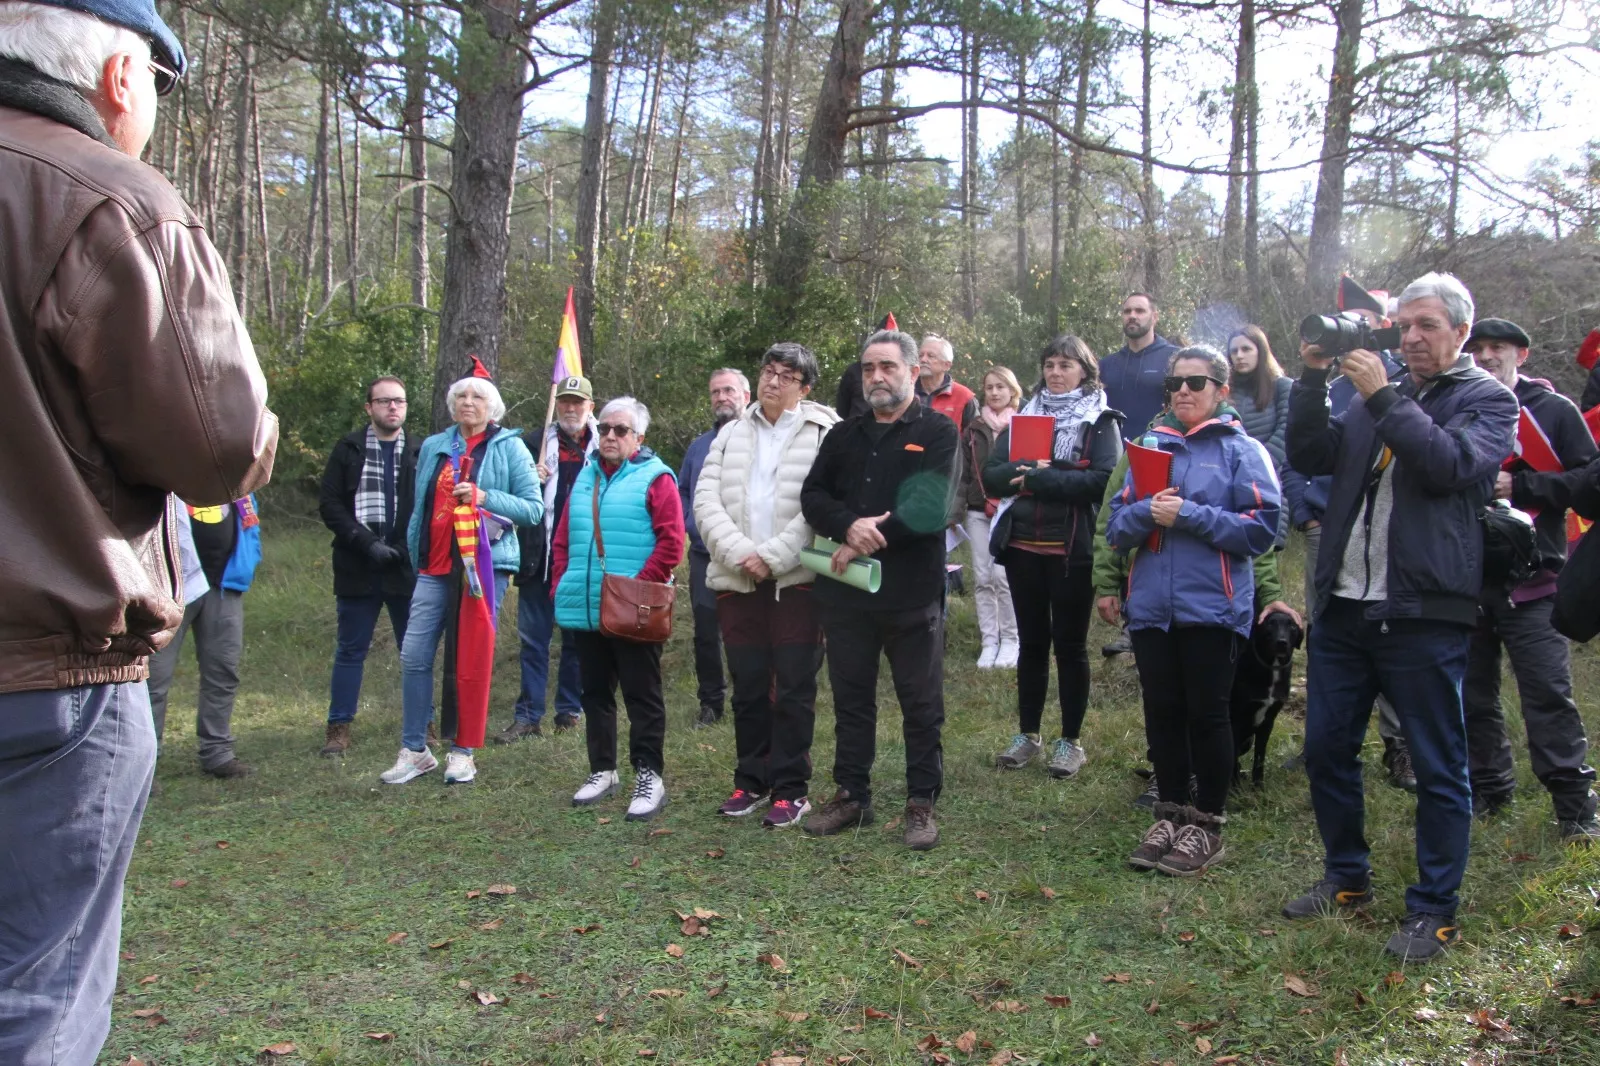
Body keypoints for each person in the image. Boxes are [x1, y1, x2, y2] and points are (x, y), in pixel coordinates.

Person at [0, 4, 278, 1060]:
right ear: (123, 74)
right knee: (30, 997)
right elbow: (216, 442)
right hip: (45, 682)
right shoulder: (105, 198)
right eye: (161, 87)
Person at [1281, 272, 1518, 962]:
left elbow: (1450, 466)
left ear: (1460, 333)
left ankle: (1433, 909)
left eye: (1427, 326)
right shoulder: (1375, 397)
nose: (1410, 338)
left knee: (1438, 765)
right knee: (1327, 747)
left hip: (1421, 610)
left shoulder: (1486, 399)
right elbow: (1311, 454)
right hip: (1347, 604)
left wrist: (1382, 395)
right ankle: (1347, 876)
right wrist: (1310, 378)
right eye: (1404, 326)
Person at [1106, 346, 1280, 876]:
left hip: (1214, 606)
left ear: (1222, 391)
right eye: (1176, 383)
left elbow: (1262, 528)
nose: (1183, 390)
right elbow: (1115, 526)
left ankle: (1207, 824)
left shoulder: (1242, 450)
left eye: (1197, 382)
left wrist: (1190, 515)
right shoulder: (1147, 447)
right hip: (1154, 606)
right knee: (1162, 712)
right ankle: (1169, 814)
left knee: (1207, 714)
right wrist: (1146, 514)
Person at [800, 329, 961, 851]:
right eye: (869, 368)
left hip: (911, 593)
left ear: (914, 372)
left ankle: (921, 802)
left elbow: (930, 506)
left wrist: (868, 539)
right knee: (851, 698)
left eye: (888, 367)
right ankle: (852, 794)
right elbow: (813, 496)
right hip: (847, 592)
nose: (876, 377)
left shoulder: (937, 432)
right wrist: (848, 527)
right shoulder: (843, 435)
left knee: (920, 701)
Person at [1462, 318, 1600, 842]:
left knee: (1546, 693)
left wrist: (1522, 484)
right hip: (1465, 577)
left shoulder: (1554, 411)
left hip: (1535, 577)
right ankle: (1489, 789)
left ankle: (1574, 807)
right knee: (1472, 695)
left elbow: (1589, 481)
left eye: (1498, 347)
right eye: (1478, 348)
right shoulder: (1460, 406)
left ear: (1522, 354)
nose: (1488, 356)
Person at [695, 344, 840, 828]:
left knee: (795, 686)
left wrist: (773, 557)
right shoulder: (731, 431)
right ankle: (751, 782)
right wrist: (742, 555)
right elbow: (705, 500)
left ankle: (792, 789)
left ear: (805, 387)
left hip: (797, 581)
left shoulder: (825, 432)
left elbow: (821, 505)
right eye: (768, 371)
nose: (772, 382)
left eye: (786, 376)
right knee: (750, 686)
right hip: (737, 579)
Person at [1280, 285, 1416, 788]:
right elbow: (1303, 451)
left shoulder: (1404, 383)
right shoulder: (1334, 385)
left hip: (1392, 541)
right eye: (1344, 324)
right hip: (1331, 531)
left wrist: (1380, 389)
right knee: (1330, 640)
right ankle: (1329, 737)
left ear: (1385, 329)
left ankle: (1400, 745)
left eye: (1363, 324)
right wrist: (1305, 513)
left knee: (1391, 645)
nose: (1351, 335)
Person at [383, 362, 543, 787]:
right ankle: (415, 749)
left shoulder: (509, 447)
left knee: (470, 656)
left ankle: (463, 751)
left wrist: (485, 495)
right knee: (414, 654)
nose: (468, 403)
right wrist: (415, 550)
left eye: (477, 397)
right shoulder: (436, 446)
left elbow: (533, 509)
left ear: (493, 407)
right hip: (434, 566)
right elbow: (419, 506)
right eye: (461, 397)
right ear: (452, 405)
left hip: (482, 568)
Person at [984, 337, 1123, 778]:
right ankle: (1027, 735)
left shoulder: (1099, 421)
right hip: (1023, 546)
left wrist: (1037, 479)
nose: (1056, 372)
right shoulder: (1023, 418)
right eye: (1049, 364)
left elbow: (1103, 481)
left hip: (1071, 549)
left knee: (1069, 645)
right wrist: (1036, 476)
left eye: (1065, 364)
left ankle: (1071, 741)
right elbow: (991, 476)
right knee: (1031, 643)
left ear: (1085, 370)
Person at [557, 397, 685, 820]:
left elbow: (671, 542)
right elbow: (564, 539)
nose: (610, 436)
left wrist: (637, 588)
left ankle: (649, 775)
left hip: (635, 608)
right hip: (587, 606)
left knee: (641, 694)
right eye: (606, 428)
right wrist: (562, 580)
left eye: (621, 430)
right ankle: (603, 769)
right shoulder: (584, 479)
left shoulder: (656, 477)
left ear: (639, 438)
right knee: (594, 692)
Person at [316, 376, 420, 755]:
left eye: (399, 402)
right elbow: (330, 505)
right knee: (350, 649)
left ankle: (422, 722)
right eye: (384, 402)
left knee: (414, 649)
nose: (393, 408)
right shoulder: (348, 448)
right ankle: (338, 728)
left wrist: (402, 549)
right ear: (369, 407)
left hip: (404, 566)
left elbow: (426, 508)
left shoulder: (420, 451)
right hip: (358, 562)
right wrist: (365, 542)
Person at [493, 375, 596, 742]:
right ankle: (528, 716)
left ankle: (569, 710)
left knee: (576, 640)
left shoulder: (605, 445)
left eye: (577, 402)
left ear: (590, 407)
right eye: (565, 401)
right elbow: (506, 497)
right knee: (533, 640)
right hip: (539, 556)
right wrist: (530, 481)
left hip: (582, 560)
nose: (570, 408)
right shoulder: (532, 444)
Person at [146, 495, 263, 777]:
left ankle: (217, 754)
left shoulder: (235, 485)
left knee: (223, 671)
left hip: (225, 587)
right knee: (154, 678)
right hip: (172, 591)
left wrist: (246, 565)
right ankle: (144, 765)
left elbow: (251, 529)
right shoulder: (168, 482)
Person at [679, 369, 748, 727]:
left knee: (746, 631)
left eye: (728, 391)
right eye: (715, 392)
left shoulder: (756, 440)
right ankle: (711, 702)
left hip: (747, 555)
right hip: (704, 555)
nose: (721, 397)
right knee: (706, 632)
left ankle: (747, 698)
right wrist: (694, 525)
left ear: (745, 396)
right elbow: (684, 492)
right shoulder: (698, 446)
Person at [958, 366, 1022, 668]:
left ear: (1012, 391)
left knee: (1003, 577)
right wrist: (957, 508)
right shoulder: (973, 429)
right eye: (989, 387)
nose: (995, 393)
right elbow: (962, 471)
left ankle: (1011, 640)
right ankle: (989, 641)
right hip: (977, 510)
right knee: (983, 577)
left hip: (1010, 510)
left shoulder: (1022, 426)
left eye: (1001, 387)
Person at [1226, 325, 1295, 545]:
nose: (1239, 355)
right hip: (1227, 487)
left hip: (1269, 486)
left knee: (1265, 571)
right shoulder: (1223, 391)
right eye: (1234, 351)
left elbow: (1286, 434)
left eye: (1246, 349)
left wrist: (1255, 468)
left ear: (1261, 351)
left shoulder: (1283, 387)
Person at [1099, 293, 1180, 458]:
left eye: (1140, 311)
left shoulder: (1175, 359)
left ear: (1154, 317)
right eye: (1127, 311)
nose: (1132, 316)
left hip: (1160, 454)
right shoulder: (1107, 364)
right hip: (1112, 459)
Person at [916, 333, 977, 430]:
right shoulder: (906, 391)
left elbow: (974, 440)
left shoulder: (964, 397)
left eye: (931, 356)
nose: (923, 360)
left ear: (947, 365)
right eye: (921, 355)